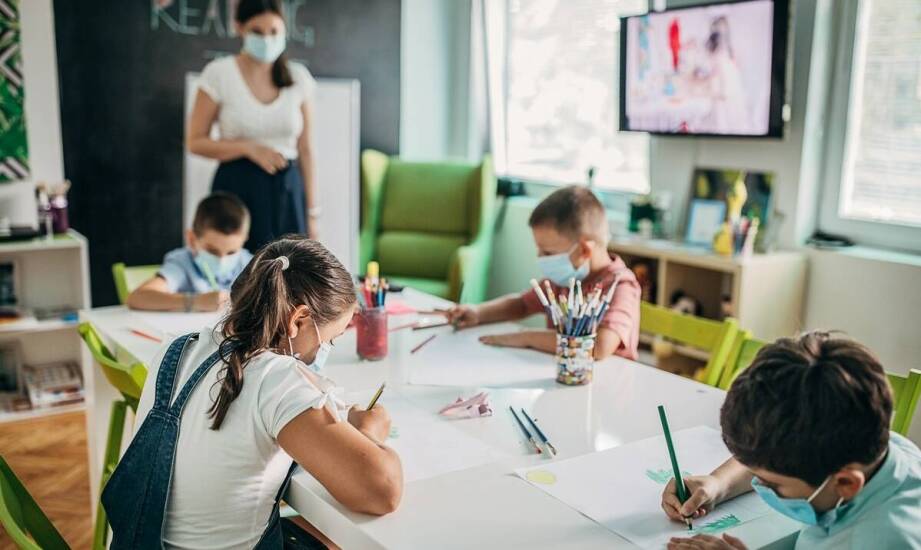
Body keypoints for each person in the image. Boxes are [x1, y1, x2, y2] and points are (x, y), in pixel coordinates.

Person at [104, 237, 403, 549]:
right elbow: (383, 491)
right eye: (329, 339)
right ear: (297, 320)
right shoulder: (276, 379)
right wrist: (370, 433)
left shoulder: (176, 349)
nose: (323, 350)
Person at [661, 332, 921, 549]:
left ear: (845, 483)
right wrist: (719, 483)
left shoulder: (885, 541)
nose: (758, 484)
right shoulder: (870, 443)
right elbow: (774, 459)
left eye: (772, 484)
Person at [446, 186, 641, 361]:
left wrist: (526, 337)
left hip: (608, 386)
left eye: (548, 253)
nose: (540, 258)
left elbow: (599, 347)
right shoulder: (564, 280)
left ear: (584, 251)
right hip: (561, 375)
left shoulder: (621, 285)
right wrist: (478, 313)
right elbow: (522, 304)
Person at [187, 0, 319, 251]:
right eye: (258, 31)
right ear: (239, 28)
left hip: (287, 191)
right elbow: (196, 141)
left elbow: (307, 150)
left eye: (274, 32)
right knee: (241, 275)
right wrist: (249, 148)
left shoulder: (299, 77)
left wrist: (313, 213)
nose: (267, 39)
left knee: (289, 274)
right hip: (237, 188)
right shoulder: (219, 73)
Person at [127, 192, 252, 312]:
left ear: (244, 240)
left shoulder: (251, 264)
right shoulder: (182, 263)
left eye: (231, 252)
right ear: (192, 239)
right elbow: (137, 298)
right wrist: (195, 301)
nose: (222, 260)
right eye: (212, 251)